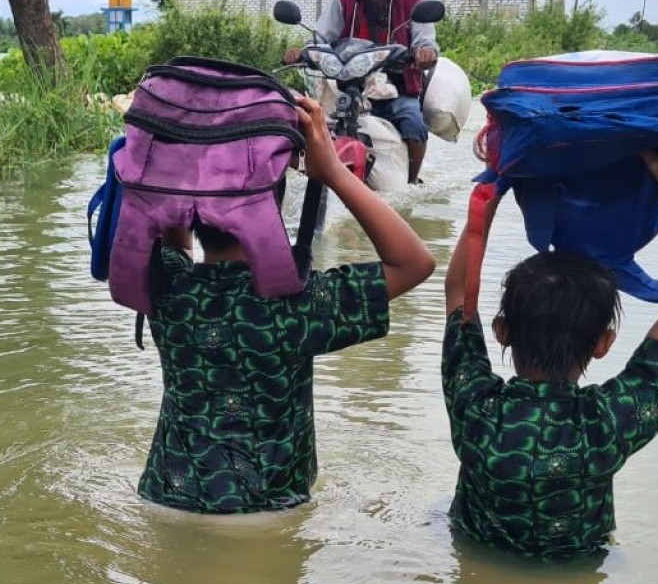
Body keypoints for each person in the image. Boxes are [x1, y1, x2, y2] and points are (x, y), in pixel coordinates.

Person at [137, 95, 436, 514]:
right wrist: (332, 170)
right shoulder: (296, 303)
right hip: (264, 511)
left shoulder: (167, 286)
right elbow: (415, 262)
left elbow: (172, 233)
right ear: (271, 208)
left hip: (165, 499)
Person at [440, 150, 658, 560]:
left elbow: (458, 292)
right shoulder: (606, 424)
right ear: (604, 343)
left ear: (502, 331)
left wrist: (494, 185)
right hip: (577, 576)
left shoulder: (475, 409)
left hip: (471, 556)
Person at [284, 0, 439, 184]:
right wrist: (302, 52)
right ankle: (308, 175)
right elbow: (322, 37)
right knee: (305, 122)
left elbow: (427, 40)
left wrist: (424, 52)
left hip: (396, 90)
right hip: (347, 87)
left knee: (414, 124)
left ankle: (412, 182)